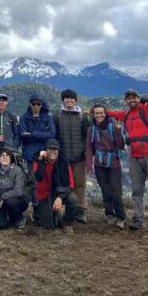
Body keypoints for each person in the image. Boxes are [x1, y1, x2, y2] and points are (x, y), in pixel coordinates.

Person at [108, 64, 148, 234]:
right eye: (128, 98)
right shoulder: (125, 115)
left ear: (138, 99)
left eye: (134, 97)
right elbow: (110, 113)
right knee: (136, 190)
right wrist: (92, 112)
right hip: (134, 155)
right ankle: (138, 219)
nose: (131, 100)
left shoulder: (147, 110)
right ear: (126, 100)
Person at [85, 103, 127, 229]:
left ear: (106, 113)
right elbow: (89, 147)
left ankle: (120, 217)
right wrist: (89, 165)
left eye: (101, 113)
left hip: (113, 163)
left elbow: (121, 145)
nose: (99, 115)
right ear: (93, 114)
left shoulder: (113, 126)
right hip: (99, 164)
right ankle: (109, 214)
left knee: (116, 191)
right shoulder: (91, 129)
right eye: (96, 113)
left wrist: (118, 132)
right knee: (106, 191)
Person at [53, 89, 91, 223]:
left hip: (79, 156)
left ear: (75, 100)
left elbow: (87, 135)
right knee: (63, 184)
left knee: (80, 184)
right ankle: (63, 210)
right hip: (63, 157)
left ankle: (80, 211)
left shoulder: (82, 116)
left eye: (72, 98)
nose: (69, 100)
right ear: (63, 100)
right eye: (67, 98)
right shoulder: (57, 115)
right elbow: (55, 135)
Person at [33, 139, 77, 233]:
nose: (53, 151)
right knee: (48, 225)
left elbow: (71, 184)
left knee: (72, 199)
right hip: (44, 195)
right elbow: (39, 177)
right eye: (50, 149)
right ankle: (53, 214)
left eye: (55, 149)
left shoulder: (63, 162)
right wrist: (41, 160)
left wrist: (60, 197)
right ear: (45, 150)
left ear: (58, 151)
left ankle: (67, 223)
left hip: (59, 193)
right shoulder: (38, 161)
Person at [0, 147, 28, 230]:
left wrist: (3, 197)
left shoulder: (17, 170)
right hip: (2, 203)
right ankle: (8, 217)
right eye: (2, 156)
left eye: (7, 156)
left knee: (10, 202)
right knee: (0, 225)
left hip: (18, 200)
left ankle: (19, 218)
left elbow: (19, 191)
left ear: (11, 158)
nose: (5, 157)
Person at [19, 94, 56, 164]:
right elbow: (23, 135)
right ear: (30, 104)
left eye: (38, 104)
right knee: (31, 174)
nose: (36, 106)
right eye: (33, 104)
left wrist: (33, 134)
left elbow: (52, 134)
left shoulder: (48, 118)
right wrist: (44, 135)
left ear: (42, 105)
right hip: (30, 154)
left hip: (45, 153)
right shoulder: (23, 118)